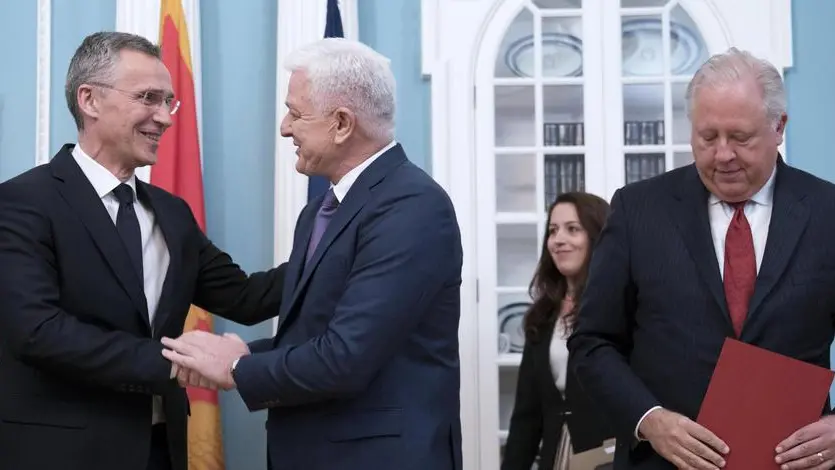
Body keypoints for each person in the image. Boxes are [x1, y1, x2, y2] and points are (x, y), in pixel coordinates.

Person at [161, 37, 464, 470]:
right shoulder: (321, 212)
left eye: (296, 113)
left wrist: (236, 369)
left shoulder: (411, 205)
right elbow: (318, 334)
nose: (285, 127)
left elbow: (346, 357)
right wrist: (248, 355)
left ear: (342, 123)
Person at [0, 32, 287, 470]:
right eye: (149, 98)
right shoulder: (23, 202)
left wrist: (336, 248)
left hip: (161, 450)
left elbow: (246, 298)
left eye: (168, 101)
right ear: (89, 99)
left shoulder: (171, 213)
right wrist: (173, 363)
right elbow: (38, 331)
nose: (165, 118)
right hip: (62, 452)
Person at [567, 46, 835, 470]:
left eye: (740, 137)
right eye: (707, 138)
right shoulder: (639, 211)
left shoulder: (827, 213)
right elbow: (591, 343)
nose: (722, 155)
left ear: (778, 126)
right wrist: (650, 420)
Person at [502, 192, 614, 470]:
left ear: (597, 236)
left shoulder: (621, 309)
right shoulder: (542, 316)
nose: (559, 239)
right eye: (553, 231)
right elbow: (526, 416)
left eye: (572, 229)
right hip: (556, 458)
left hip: (609, 458)